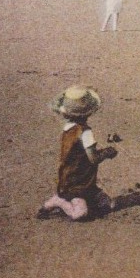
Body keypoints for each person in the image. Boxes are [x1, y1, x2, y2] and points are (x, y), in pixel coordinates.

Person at [37, 86, 119, 221]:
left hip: (70, 178)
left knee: (108, 204)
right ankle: (60, 202)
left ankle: (59, 199)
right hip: (78, 184)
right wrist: (108, 153)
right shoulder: (85, 133)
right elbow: (93, 158)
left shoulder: (68, 129)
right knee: (80, 214)